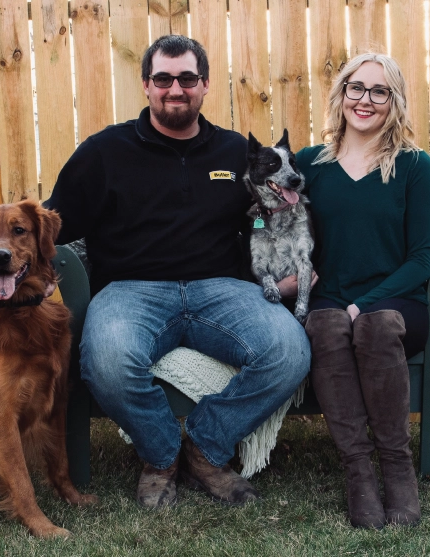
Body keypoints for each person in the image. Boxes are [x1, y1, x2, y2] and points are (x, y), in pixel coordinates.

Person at [44, 35, 310, 508]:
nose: (175, 89)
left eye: (187, 78)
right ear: (146, 85)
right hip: (131, 291)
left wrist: (297, 267)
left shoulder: (235, 153)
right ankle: (162, 455)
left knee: (289, 351)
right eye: (163, 79)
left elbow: (277, 214)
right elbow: (53, 223)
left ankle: (206, 449)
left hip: (222, 289)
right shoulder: (105, 151)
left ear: (205, 85)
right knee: (105, 359)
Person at [294, 52, 430, 528]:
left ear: (393, 101)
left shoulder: (415, 167)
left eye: (380, 91)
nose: (366, 100)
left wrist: (367, 303)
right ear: (341, 94)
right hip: (329, 298)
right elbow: (263, 222)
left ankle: (398, 473)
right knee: (327, 324)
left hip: (399, 303)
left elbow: (422, 259)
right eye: (356, 88)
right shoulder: (308, 165)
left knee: (375, 327)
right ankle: (359, 474)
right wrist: (284, 281)